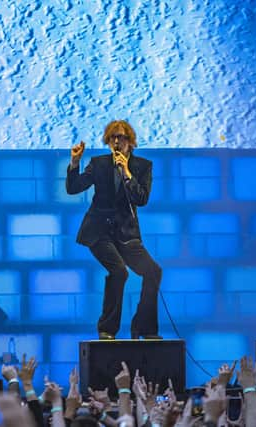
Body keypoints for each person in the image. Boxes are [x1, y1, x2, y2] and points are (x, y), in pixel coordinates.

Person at [66, 119, 162, 340]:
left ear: (131, 141)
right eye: (113, 138)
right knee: (119, 271)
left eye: (122, 137)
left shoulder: (143, 167)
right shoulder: (99, 163)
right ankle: (107, 329)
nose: (117, 142)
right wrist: (74, 163)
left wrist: (127, 172)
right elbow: (73, 188)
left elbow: (142, 198)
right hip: (98, 232)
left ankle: (144, 328)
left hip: (126, 235)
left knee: (153, 272)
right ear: (108, 142)